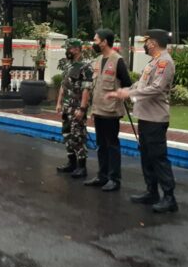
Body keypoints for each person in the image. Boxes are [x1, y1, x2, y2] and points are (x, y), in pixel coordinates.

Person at [108, 29, 178, 213]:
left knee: (158, 157)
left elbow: (156, 88)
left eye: (146, 42)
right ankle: (151, 191)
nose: (145, 45)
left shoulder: (164, 62)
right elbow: (141, 84)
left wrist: (129, 93)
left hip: (156, 118)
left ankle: (169, 197)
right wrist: (123, 91)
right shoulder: (154, 62)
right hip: (146, 117)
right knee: (147, 156)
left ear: (153, 43)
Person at [84, 29, 133, 192]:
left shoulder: (117, 60)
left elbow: (127, 83)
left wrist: (119, 95)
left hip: (111, 111)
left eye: (96, 40)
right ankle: (102, 175)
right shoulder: (98, 60)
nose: (94, 43)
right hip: (98, 110)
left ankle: (114, 179)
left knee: (112, 145)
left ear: (104, 42)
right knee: (100, 145)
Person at [55, 38, 93, 178]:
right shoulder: (68, 65)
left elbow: (86, 89)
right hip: (66, 107)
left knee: (78, 136)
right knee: (67, 134)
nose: (67, 51)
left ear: (77, 49)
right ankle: (71, 163)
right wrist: (59, 102)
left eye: (69, 48)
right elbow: (63, 85)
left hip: (77, 107)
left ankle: (81, 167)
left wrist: (82, 109)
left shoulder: (85, 67)